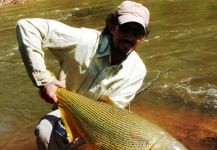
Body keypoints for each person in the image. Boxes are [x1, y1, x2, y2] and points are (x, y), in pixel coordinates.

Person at [16, 0, 150, 149]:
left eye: (138, 32)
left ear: (142, 37)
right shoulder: (83, 40)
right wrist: (44, 80)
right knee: (45, 131)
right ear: (112, 27)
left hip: (103, 121)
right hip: (66, 109)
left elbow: (110, 116)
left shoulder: (138, 71)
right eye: (125, 28)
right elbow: (27, 26)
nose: (130, 37)